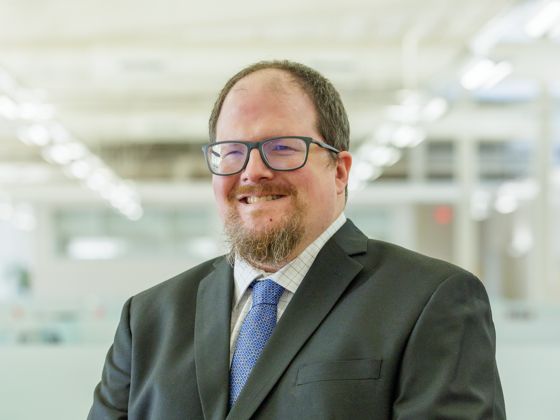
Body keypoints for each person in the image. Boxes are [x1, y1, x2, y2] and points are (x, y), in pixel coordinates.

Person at [88, 60, 506, 419]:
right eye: (231, 151)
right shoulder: (147, 319)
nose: (252, 171)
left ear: (339, 171)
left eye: (282, 147)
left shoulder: (429, 301)